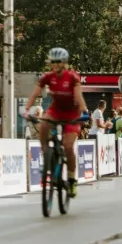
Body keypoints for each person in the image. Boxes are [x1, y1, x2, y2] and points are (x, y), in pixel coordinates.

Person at [22, 48, 88, 198]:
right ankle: (47, 157)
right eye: (53, 62)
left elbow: (79, 96)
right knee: (43, 125)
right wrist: (26, 109)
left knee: (68, 146)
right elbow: (34, 93)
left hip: (72, 112)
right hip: (56, 110)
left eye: (58, 62)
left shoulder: (72, 77)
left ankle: (71, 180)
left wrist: (84, 111)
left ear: (64, 63)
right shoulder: (47, 77)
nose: (55, 65)